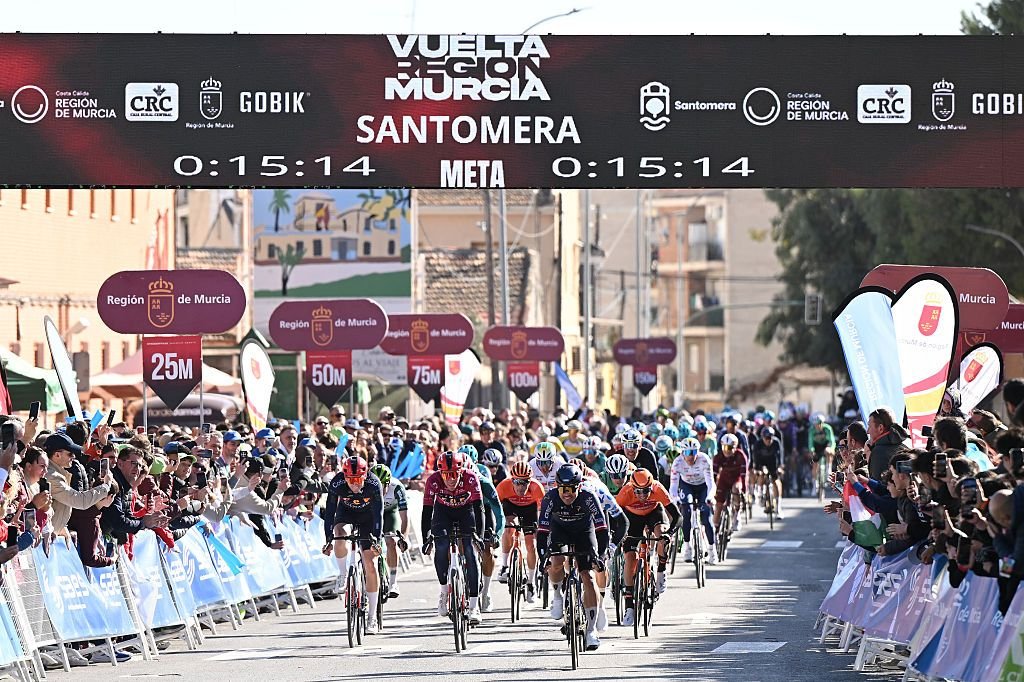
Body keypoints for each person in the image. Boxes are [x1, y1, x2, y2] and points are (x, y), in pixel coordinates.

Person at [536, 464, 607, 651]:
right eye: (562, 489)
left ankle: (591, 631)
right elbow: (542, 532)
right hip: (560, 531)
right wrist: (542, 556)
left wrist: (600, 555)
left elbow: (602, 530)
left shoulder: (588, 497)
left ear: (579, 487)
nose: (566, 493)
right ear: (557, 487)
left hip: (585, 532)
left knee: (588, 576)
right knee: (556, 561)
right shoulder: (550, 498)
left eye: (571, 489)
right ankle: (558, 595)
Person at [323, 456, 385, 634]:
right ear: (344, 477)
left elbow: (379, 515)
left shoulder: (374, 484)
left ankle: (372, 617)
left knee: (370, 563)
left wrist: (377, 540)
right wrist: (328, 538)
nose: (355, 484)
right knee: (339, 533)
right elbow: (330, 512)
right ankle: (343, 575)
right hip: (346, 514)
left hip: (369, 518)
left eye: (358, 479)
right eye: (351, 480)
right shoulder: (337, 483)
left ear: (365, 476)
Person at [421, 451, 485, 625]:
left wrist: (479, 536)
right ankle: (444, 590)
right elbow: (427, 511)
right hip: (443, 514)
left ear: (461, 471)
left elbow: (479, 509)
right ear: (440, 473)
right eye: (446, 475)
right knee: (441, 547)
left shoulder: (471, 478)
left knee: (471, 553)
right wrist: (426, 537)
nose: (450, 479)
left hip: (467, 512)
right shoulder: (433, 480)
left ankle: (473, 606)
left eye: (455, 474)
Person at [616, 468, 680, 625]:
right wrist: (618, 534)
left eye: (646, 491)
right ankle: (629, 606)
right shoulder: (625, 492)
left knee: (662, 535)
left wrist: (669, 534)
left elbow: (678, 516)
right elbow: (613, 516)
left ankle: (661, 571)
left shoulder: (658, 489)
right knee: (630, 557)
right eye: (638, 492)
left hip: (654, 513)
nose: (643, 496)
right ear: (632, 487)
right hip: (632, 518)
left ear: (652, 487)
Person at [496, 461, 545, 603]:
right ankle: (504, 566)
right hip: (510, 507)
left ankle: (531, 582)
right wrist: (499, 525)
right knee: (508, 528)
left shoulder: (537, 488)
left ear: (530, 481)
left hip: (529, 509)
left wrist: (540, 529)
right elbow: (496, 509)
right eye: (517, 482)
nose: (520, 486)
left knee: (531, 544)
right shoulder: (503, 486)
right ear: (512, 480)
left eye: (524, 482)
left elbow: (543, 514)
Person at [669, 437, 718, 563]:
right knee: (687, 512)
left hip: (703, 487)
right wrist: (675, 499)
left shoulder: (704, 460)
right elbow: (673, 486)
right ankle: (688, 548)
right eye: (687, 453)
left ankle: (712, 551)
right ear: (682, 453)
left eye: (694, 452)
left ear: (698, 452)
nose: (690, 456)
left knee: (706, 517)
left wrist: (710, 497)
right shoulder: (677, 462)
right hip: (687, 486)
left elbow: (711, 484)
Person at [371, 463, 409, 599]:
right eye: (377, 486)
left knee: (391, 540)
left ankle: (393, 582)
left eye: (383, 486)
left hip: (389, 513)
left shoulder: (397, 487)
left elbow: (404, 517)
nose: (380, 490)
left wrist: (402, 538)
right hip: (373, 513)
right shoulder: (366, 486)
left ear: (388, 483)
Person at [713, 434, 748, 532]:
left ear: (735, 447)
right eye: (724, 447)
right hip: (724, 479)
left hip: (736, 478)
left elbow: (744, 475)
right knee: (719, 504)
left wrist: (744, 489)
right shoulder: (718, 456)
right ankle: (714, 528)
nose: (726, 450)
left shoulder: (741, 456)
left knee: (736, 489)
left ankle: (736, 514)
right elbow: (714, 475)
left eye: (729, 447)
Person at [750, 426, 785, 519]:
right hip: (762, 463)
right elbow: (755, 458)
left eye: (770, 438)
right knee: (761, 475)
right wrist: (758, 469)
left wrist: (780, 467)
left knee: (776, 482)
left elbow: (780, 456)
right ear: (762, 437)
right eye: (766, 438)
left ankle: (778, 507)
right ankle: (760, 493)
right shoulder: (758, 444)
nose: (768, 440)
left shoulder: (776, 443)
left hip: (773, 464)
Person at [866, 407, 908, 481]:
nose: (867, 431)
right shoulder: (904, 447)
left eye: (869, 426)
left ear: (880, 428)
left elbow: (878, 489)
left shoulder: (878, 453)